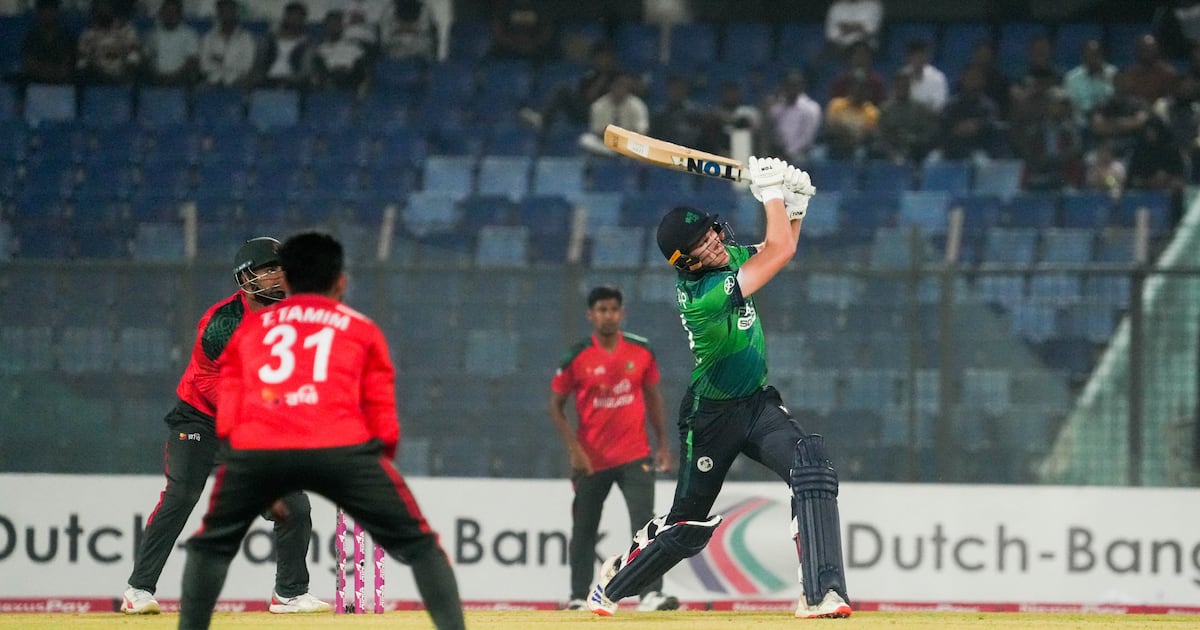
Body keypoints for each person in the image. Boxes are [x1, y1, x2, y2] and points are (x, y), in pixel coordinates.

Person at [585, 156, 852, 619]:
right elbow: (779, 253)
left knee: (812, 468)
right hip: (710, 417)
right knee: (687, 526)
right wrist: (771, 194)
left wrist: (795, 204)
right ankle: (613, 583)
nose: (713, 242)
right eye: (700, 243)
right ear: (684, 262)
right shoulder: (703, 295)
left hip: (756, 404)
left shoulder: (728, 260)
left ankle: (821, 594)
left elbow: (778, 246)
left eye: (710, 231)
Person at [177, 232, 466, 630]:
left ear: (288, 281)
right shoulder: (360, 328)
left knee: (210, 548)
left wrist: (245, 467)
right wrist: (375, 470)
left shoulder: (250, 330)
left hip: (261, 451)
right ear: (341, 282)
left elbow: (230, 409)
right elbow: (382, 415)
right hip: (341, 448)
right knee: (421, 546)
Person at [121, 237, 329, 616]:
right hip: (199, 419)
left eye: (281, 268)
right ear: (246, 278)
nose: (278, 275)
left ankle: (290, 594)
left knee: (292, 505)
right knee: (182, 497)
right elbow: (206, 379)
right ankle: (138, 591)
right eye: (268, 269)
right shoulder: (222, 322)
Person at [550, 285, 675, 612]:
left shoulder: (641, 350)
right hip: (591, 460)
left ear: (622, 313)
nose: (608, 315)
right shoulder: (576, 356)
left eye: (613, 309)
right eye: (601, 310)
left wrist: (662, 443)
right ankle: (578, 597)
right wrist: (574, 450)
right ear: (590, 315)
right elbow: (556, 406)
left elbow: (653, 398)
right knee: (584, 529)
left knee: (646, 526)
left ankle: (651, 595)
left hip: (636, 455)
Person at [76, 0, 141, 84]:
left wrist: (122, 76)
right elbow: (82, 64)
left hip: (123, 80)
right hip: (97, 82)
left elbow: (134, 59)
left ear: (112, 7)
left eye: (106, 5)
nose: (103, 9)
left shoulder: (126, 30)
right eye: (100, 6)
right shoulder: (87, 35)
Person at [198, 0, 259, 88]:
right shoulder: (208, 38)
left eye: (230, 11)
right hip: (212, 81)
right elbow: (204, 66)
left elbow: (246, 66)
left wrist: (221, 60)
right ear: (218, 14)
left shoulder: (246, 38)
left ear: (236, 13)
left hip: (238, 82)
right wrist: (232, 62)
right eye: (223, 11)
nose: (227, 15)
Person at [142, 0, 200, 87]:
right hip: (155, 80)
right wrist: (155, 76)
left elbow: (192, 61)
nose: (170, 15)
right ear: (161, 13)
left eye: (173, 12)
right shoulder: (152, 35)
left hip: (180, 81)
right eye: (167, 12)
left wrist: (174, 77)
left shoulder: (189, 34)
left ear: (180, 15)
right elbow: (146, 59)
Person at [19, 0, 77, 85]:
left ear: (58, 12)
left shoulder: (67, 37)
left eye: (52, 10)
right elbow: (28, 63)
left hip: (63, 84)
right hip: (34, 82)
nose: (48, 14)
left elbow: (69, 65)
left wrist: (56, 74)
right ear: (38, 13)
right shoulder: (31, 37)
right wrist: (44, 73)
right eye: (44, 10)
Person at [257, 1, 312, 90]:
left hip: (294, 82)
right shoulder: (269, 40)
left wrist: (289, 81)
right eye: (292, 16)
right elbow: (260, 63)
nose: (294, 20)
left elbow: (305, 71)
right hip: (267, 80)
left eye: (298, 17)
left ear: (303, 20)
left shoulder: (308, 44)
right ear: (285, 17)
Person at [312, 9, 369, 93]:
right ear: (325, 26)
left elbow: (364, 69)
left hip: (351, 79)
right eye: (331, 23)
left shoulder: (354, 46)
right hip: (329, 81)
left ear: (342, 26)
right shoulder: (319, 49)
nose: (334, 26)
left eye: (337, 23)